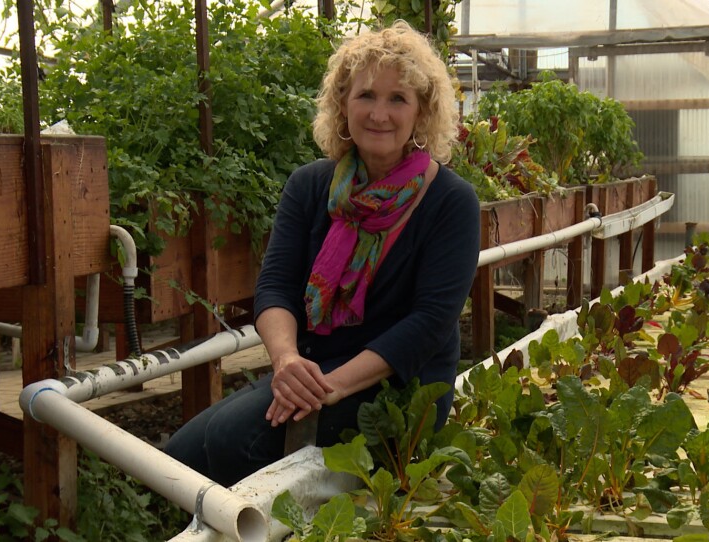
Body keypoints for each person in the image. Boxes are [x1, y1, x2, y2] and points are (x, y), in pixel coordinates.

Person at [164, 20, 481, 487]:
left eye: (398, 99)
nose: (379, 113)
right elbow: (274, 288)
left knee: (234, 443)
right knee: (179, 455)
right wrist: (288, 362)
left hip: (400, 385)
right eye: (366, 95)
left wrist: (330, 388)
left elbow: (428, 325)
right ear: (342, 106)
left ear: (422, 113)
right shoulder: (311, 185)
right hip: (312, 365)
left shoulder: (451, 201)